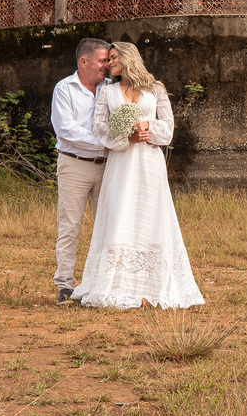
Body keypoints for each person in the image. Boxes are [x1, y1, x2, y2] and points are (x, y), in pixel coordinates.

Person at [72, 41, 204, 309]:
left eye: (113, 57)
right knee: (121, 214)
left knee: (150, 215)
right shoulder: (106, 92)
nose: (109, 63)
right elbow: (99, 128)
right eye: (107, 59)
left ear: (128, 57)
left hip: (149, 163)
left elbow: (168, 129)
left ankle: (152, 285)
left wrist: (147, 127)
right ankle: (118, 283)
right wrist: (126, 138)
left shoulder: (156, 89)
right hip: (121, 162)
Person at [50, 37, 111, 305]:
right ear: (84, 61)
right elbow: (66, 130)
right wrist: (106, 141)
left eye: (108, 61)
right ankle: (65, 285)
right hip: (74, 163)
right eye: (102, 60)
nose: (106, 66)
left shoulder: (110, 88)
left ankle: (101, 282)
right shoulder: (65, 89)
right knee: (70, 225)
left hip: (109, 166)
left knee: (107, 225)